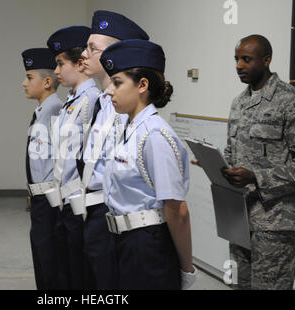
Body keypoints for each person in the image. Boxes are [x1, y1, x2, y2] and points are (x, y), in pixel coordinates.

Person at [100, 39, 197, 290]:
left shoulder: (154, 136)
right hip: (121, 240)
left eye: (117, 83)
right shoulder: (130, 127)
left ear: (142, 85)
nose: (109, 90)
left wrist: (186, 269)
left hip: (146, 245)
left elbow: (177, 210)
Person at [222, 35, 295, 290]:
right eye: (236, 59)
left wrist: (256, 177)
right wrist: (219, 167)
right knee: (240, 284)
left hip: (275, 221)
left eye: (246, 59)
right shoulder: (239, 103)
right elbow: (231, 150)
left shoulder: (292, 102)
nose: (239, 65)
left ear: (266, 60)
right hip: (240, 215)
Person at [77, 10, 150, 289]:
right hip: (92, 208)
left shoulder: (125, 110)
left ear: (114, 55)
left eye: (92, 48)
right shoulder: (103, 103)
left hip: (110, 211)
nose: (83, 54)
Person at [46, 25, 100, 289]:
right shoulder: (73, 100)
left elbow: (91, 158)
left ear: (80, 64)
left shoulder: (91, 100)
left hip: (79, 206)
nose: (56, 72)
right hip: (64, 203)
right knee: (65, 273)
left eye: (59, 64)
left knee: (80, 277)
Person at [21, 48, 62, 289]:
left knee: (50, 266)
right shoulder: (42, 111)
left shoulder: (55, 111)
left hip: (50, 200)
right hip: (39, 199)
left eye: (29, 77)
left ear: (47, 82)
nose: (24, 83)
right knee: (42, 260)